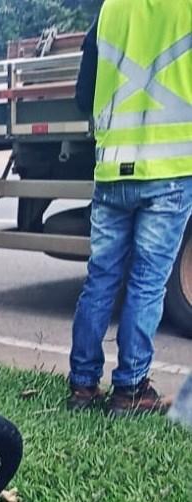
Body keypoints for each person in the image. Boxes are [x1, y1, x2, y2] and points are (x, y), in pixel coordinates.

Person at [67, 0, 192, 416]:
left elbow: (84, 96)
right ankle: (130, 388)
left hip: (112, 171)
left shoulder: (111, 10)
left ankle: (83, 386)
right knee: (147, 283)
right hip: (171, 171)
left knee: (100, 279)